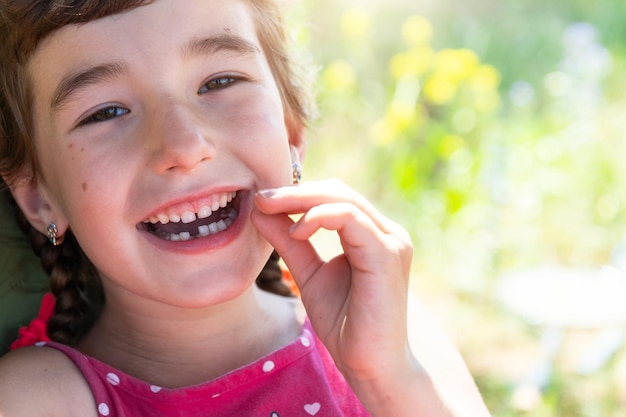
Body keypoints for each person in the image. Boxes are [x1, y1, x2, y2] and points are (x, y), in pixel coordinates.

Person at [0, 0, 491, 416]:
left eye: (219, 82)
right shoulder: (34, 399)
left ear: (291, 132)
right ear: (39, 196)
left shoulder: (398, 338)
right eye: (106, 112)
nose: (184, 146)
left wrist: (388, 382)